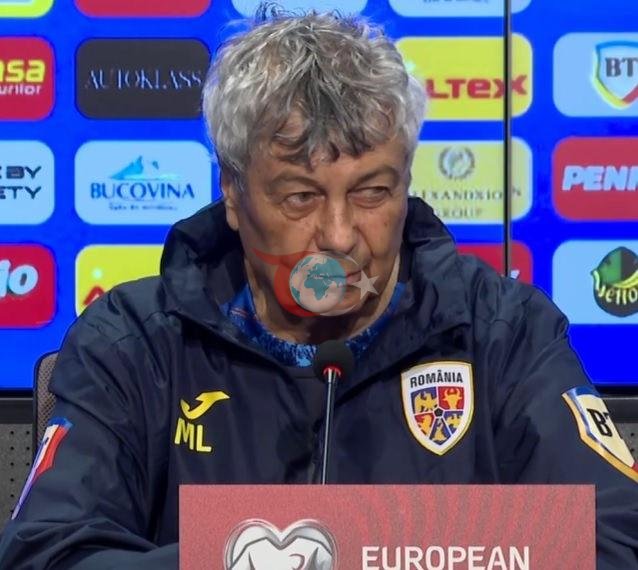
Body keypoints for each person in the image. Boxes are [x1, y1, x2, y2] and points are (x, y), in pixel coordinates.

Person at [1, 6, 637, 569]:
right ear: (232, 191)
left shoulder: (504, 332)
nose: (339, 236)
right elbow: (45, 554)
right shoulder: (133, 343)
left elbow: (613, 539)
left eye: (372, 192)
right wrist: (244, 558)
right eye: (301, 197)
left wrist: (369, 549)